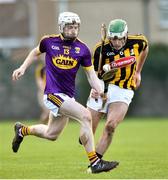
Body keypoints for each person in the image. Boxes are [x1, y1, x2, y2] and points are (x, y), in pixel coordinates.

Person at [11, 12, 119, 173]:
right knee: (85, 116)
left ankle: (22, 130)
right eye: (69, 27)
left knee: (51, 134)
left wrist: (100, 90)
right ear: (61, 27)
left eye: (76, 27)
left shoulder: (82, 49)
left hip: (67, 96)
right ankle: (95, 162)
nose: (73, 30)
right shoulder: (48, 41)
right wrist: (22, 67)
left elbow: (91, 76)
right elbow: (35, 52)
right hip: (52, 94)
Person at [86, 19, 149, 159]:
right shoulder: (100, 49)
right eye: (113, 40)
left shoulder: (139, 41)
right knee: (85, 134)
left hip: (124, 88)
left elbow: (145, 48)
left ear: (126, 35)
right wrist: (94, 87)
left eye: (120, 39)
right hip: (102, 85)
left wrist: (138, 71)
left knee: (111, 126)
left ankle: (95, 163)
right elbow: (93, 74)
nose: (117, 43)